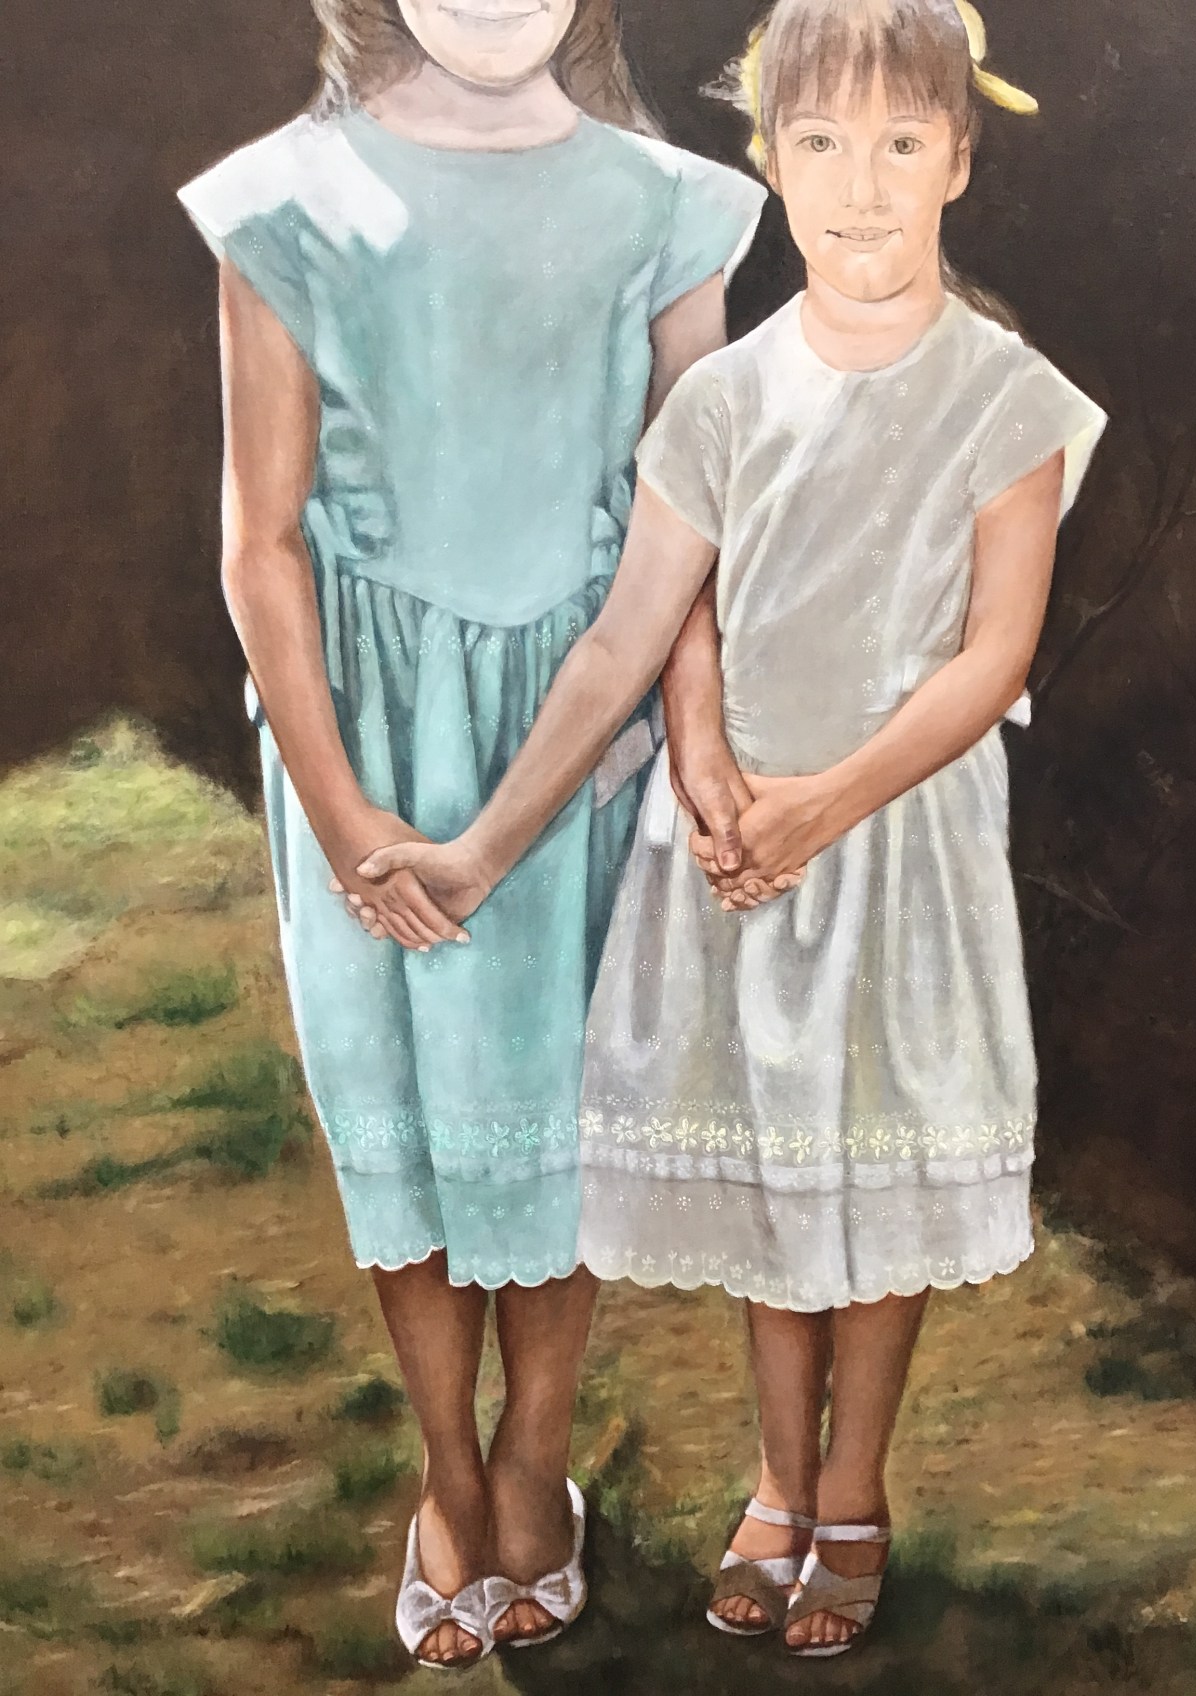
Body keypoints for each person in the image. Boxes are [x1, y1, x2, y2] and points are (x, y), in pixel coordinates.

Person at [355, 0, 1108, 1660]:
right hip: (746, 857)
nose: (860, 185)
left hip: (893, 848)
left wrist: (826, 802)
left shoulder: (1009, 399)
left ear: (958, 159)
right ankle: (776, 1481)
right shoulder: (723, 398)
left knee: (880, 1172)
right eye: (819, 144)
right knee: (779, 1168)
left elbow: (992, 659)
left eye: (901, 144)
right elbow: (647, 629)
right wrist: (676, 770)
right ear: (769, 161)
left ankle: (855, 1487)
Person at [177, 0, 764, 1669]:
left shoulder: (669, 205)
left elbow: (688, 536)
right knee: (414, 1126)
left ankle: (532, 1459)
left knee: (557, 1127)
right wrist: (344, 808)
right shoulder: (285, 200)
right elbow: (261, 541)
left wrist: (680, 740)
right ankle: (447, 1467)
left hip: (580, 740)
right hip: (363, 746)